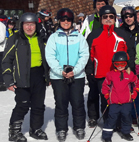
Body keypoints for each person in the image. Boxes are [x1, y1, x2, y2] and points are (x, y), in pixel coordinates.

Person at [2, 12, 50, 142]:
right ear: (22, 25)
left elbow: (48, 58)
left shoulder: (41, 38)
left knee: (38, 105)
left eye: (32, 24)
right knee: (22, 105)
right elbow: (6, 60)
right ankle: (14, 132)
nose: (29, 27)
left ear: (36, 25)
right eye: (26, 24)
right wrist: (8, 80)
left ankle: (35, 129)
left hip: (39, 76)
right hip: (22, 77)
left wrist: (48, 75)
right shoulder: (16, 38)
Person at [85, 5, 134, 127]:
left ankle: (117, 121)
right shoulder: (94, 35)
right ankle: (106, 121)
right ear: (101, 18)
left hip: (118, 73)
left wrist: (130, 69)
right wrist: (89, 70)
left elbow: (131, 53)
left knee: (118, 98)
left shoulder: (122, 34)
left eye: (111, 16)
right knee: (103, 98)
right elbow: (89, 54)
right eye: (105, 17)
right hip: (100, 73)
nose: (108, 19)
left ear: (115, 18)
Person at [45, 8, 89, 141]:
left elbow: (84, 55)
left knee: (77, 102)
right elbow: (50, 56)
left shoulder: (79, 37)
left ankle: (79, 126)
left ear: (72, 21)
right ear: (59, 21)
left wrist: (75, 71)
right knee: (61, 103)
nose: (65, 22)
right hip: (59, 76)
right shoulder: (53, 37)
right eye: (63, 20)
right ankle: (61, 129)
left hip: (77, 76)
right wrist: (60, 71)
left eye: (68, 20)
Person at [101, 51, 139, 142]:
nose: (120, 66)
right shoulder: (111, 75)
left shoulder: (130, 74)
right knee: (111, 119)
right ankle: (107, 135)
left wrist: (134, 93)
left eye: (123, 63)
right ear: (114, 64)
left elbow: (137, 84)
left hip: (126, 102)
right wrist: (107, 97)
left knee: (127, 117)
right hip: (114, 102)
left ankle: (126, 132)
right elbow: (105, 86)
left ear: (126, 64)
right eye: (117, 64)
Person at [0, 13, 7, 91]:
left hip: (1, 49)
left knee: (1, 67)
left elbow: (2, 38)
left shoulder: (1, 25)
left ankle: (2, 83)